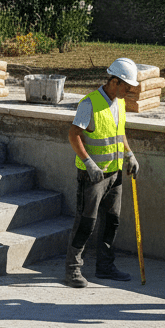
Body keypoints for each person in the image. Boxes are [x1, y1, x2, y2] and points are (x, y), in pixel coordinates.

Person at [64, 57, 141, 288]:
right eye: (127, 87)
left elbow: (120, 133)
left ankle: (105, 266)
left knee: (112, 221)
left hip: (115, 174)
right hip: (93, 176)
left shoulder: (119, 103)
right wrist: (88, 163)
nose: (129, 91)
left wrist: (129, 154)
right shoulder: (89, 103)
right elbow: (73, 134)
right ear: (114, 81)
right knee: (86, 222)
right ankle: (72, 270)